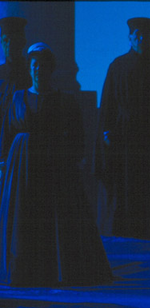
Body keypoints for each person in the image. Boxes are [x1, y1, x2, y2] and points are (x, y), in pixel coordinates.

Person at [0, 43, 113, 287]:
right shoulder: (18, 98)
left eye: (43, 65)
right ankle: (23, 270)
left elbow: (76, 135)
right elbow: (7, 133)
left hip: (52, 170)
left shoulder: (64, 100)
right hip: (22, 169)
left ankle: (54, 270)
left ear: (51, 69)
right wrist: (4, 162)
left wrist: (71, 162)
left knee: (51, 220)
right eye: (34, 65)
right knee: (24, 218)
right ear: (30, 69)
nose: (39, 69)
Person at [99, 17, 150, 239]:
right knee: (125, 186)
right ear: (130, 37)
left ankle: (148, 233)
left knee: (149, 185)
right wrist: (107, 131)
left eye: (144, 34)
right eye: (136, 34)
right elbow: (107, 103)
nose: (141, 38)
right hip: (124, 136)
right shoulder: (118, 66)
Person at [0, 17, 30, 164]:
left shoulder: (30, 76)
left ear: (22, 42)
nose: (10, 45)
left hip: (20, 146)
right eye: (6, 40)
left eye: (14, 40)